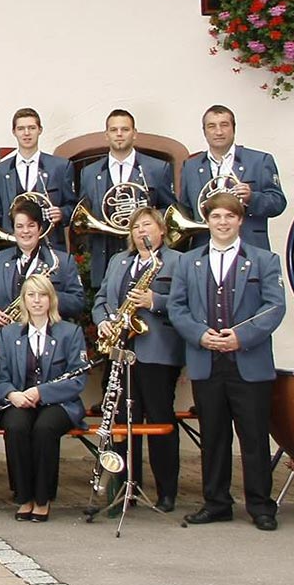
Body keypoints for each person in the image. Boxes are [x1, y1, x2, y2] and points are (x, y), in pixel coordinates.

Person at [166, 192, 286, 531]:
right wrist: (200, 335)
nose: (222, 223)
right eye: (216, 216)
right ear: (208, 220)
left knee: (253, 437)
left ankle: (261, 506)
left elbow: (274, 307)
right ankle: (216, 502)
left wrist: (241, 337)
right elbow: (177, 308)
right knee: (214, 436)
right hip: (206, 359)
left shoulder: (264, 260)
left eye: (229, 217)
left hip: (248, 359)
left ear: (240, 220)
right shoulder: (189, 262)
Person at [91, 207, 184, 512]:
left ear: (161, 231)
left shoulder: (177, 261)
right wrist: (104, 320)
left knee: (158, 419)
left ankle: (166, 491)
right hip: (120, 350)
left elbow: (187, 303)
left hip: (157, 352)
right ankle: (125, 488)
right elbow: (102, 299)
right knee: (123, 423)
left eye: (147, 226)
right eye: (136, 227)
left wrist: (155, 301)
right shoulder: (119, 262)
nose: (141, 232)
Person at [0, 274, 89, 523]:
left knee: (45, 429)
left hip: (59, 403)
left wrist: (41, 393)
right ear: (23, 300)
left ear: (51, 299)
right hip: (20, 400)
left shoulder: (70, 332)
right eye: (31, 295)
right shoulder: (8, 334)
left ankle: (43, 499)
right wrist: (12, 394)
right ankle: (24, 496)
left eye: (42, 295)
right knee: (15, 427)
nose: (37, 301)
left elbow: (78, 379)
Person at [76, 110, 174, 287]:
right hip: (105, 252)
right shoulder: (89, 173)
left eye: (125, 129)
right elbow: (83, 214)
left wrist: (145, 220)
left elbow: (168, 209)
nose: (119, 134)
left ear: (134, 133)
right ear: (106, 135)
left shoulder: (157, 168)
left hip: (145, 251)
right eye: (114, 130)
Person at [177, 104, 286, 250]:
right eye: (211, 126)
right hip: (204, 247)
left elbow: (278, 203)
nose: (219, 131)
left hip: (249, 245)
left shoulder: (259, 161)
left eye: (224, 125)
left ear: (233, 128)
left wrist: (251, 198)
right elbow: (185, 208)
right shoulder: (190, 166)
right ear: (204, 132)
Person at [0, 202, 87, 325]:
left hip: (48, 335)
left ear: (40, 229)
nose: (25, 231)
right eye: (19, 226)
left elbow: (78, 302)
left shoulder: (63, 261)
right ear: (13, 230)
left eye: (31, 225)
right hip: (5, 335)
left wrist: (48, 296)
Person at [0, 108, 75, 250]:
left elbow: (72, 207)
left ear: (40, 130)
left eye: (31, 128)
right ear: (14, 132)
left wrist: (62, 213)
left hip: (50, 246)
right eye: (21, 128)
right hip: (11, 248)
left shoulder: (61, 167)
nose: (26, 133)